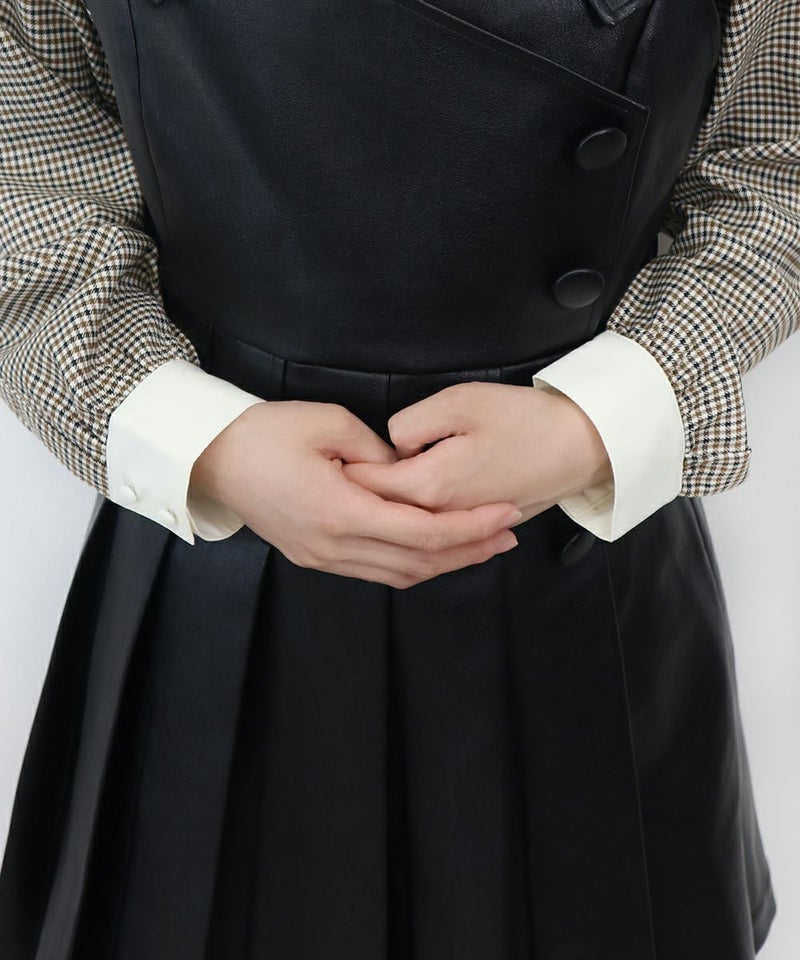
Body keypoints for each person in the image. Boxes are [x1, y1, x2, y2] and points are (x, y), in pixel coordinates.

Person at [0, 0, 796, 957]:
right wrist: (202, 442)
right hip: (216, 545)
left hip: (576, 545)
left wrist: (596, 419)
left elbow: (775, 162)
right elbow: (26, 172)